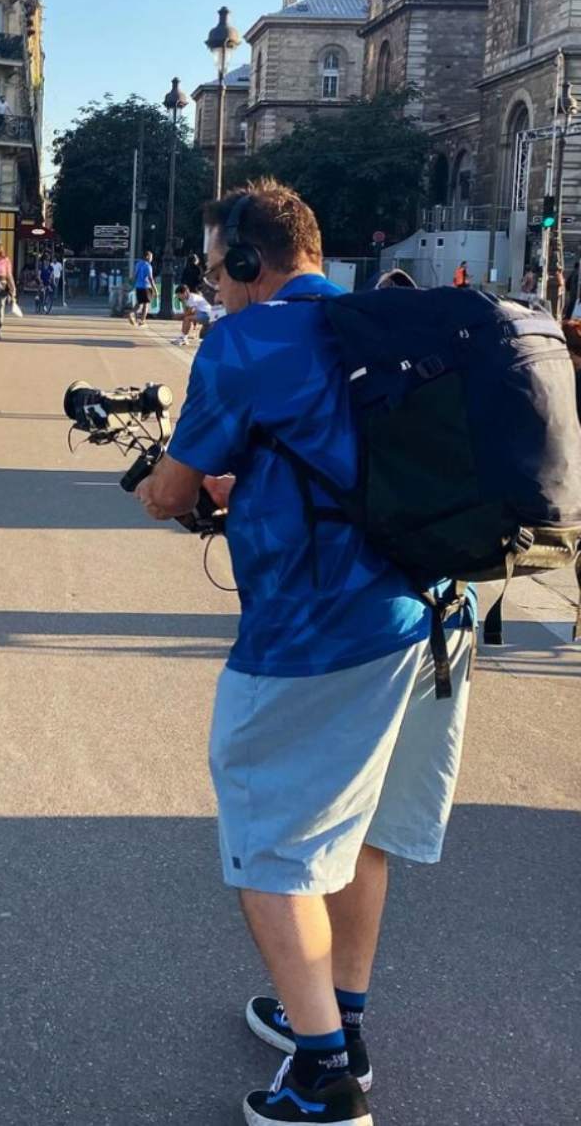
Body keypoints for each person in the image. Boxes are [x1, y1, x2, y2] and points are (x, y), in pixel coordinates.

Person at [135, 180, 474, 1126]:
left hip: (322, 629)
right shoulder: (388, 326)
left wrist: (173, 489)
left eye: (217, 270)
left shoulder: (246, 342)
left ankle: (326, 1078)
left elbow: (171, 489)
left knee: (269, 845)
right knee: (362, 830)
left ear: (249, 264)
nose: (217, 286)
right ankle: (336, 1018)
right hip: (440, 617)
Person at [128, 249, 156, 327]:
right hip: (146, 287)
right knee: (146, 305)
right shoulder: (148, 266)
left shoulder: (138, 264)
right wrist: (155, 290)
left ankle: (131, 313)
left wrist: (132, 283)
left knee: (139, 303)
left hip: (138, 286)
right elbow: (150, 278)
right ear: (147, 256)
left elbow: (135, 275)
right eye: (151, 257)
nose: (151, 259)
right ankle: (142, 321)